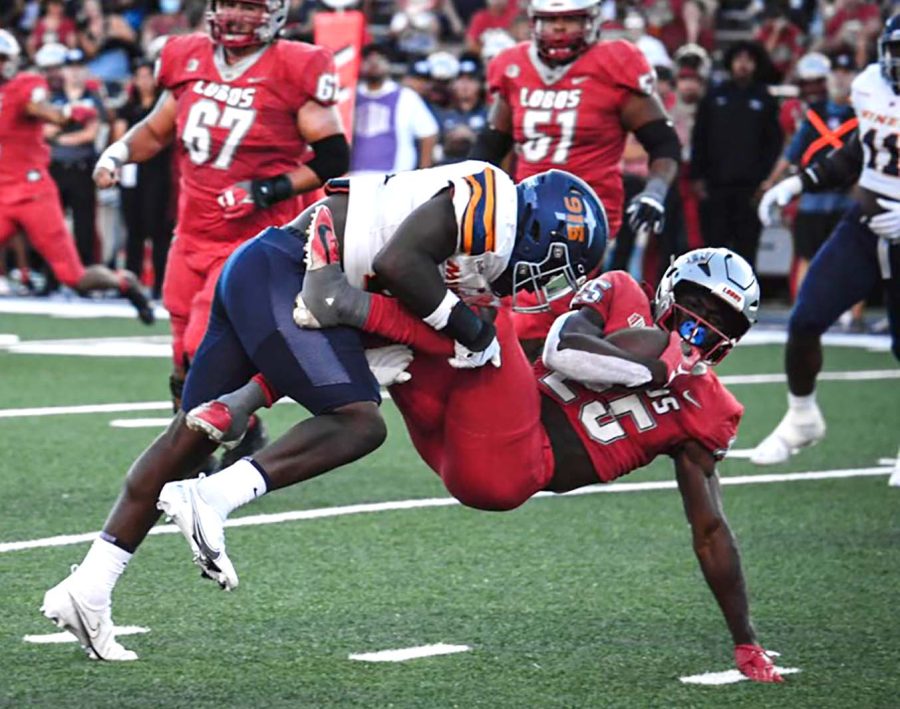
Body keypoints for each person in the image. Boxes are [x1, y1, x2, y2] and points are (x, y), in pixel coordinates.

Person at [40, 162, 604, 661]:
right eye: (554, 266)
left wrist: (448, 334)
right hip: (287, 271)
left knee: (185, 443)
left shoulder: (483, 249)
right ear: (540, 229)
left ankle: (88, 588)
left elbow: (377, 302)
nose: (541, 283)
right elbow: (398, 261)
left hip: (272, 271)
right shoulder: (493, 199)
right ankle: (212, 498)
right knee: (359, 422)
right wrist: (468, 330)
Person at [187, 235, 783, 684]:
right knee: (408, 328)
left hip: (513, 465)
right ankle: (228, 451)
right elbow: (563, 347)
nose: (701, 328)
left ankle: (334, 309)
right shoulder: (622, 296)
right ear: (669, 291)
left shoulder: (706, 407)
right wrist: (657, 367)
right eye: (697, 307)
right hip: (466, 431)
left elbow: (710, 530)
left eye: (721, 323)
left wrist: (745, 640)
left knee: (471, 327)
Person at [92, 0, 352, 461]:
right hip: (191, 233)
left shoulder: (295, 65)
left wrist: (267, 189)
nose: (235, 15)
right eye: (227, 3)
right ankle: (242, 430)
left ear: (274, 12)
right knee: (178, 352)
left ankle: (190, 451)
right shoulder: (186, 56)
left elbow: (333, 158)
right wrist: (116, 153)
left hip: (251, 241)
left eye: (248, 6)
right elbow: (156, 129)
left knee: (199, 347)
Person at [471, 0, 681, 351]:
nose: (560, 29)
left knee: (535, 323)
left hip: (582, 218)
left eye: (570, 19)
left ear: (592, 21)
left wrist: (654, 192)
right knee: (498, 313)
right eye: (552, 21)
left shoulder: (615, 63)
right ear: (534, 22)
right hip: (521, 214)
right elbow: (489, 146)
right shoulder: (512, 66)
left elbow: (664, 144)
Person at [751, 17, 900, 467]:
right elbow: (862, 148)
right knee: (806, 319)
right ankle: (801, 416)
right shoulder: (872, 84)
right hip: (866, 224)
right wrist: (800, 183)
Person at [0, 29, 153, 322]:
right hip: (3, 193)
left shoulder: (23, 86)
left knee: (75, 277)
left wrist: (65, 114)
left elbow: (41, 108)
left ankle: (122, 282)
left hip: (32, 193)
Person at [759, 52, 857, 296]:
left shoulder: (863, 113)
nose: (841, 79)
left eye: (846, 74)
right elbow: (791, 152)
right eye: (837, 73)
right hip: (813, 191)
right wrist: (772, 181)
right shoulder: (812, 113)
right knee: (806, 254)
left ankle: (849, 315)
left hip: (846, 193)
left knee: (849, 256)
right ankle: (801, 308)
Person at [690, 40, 782, 269]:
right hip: (716, 185)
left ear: (755, 64)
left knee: (747, 247)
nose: (743, 65)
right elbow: (699, 138)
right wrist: (697, 177)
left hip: (750, 188)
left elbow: (774, 143)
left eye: (748, 60)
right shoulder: (713, 97)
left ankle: (744, 297)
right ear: (730, 63)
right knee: (713, 247)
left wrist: (766, 180)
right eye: (738, 59)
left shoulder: (765, 99)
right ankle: (711, 297)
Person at [113, 59, 173, 298]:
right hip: (132, 172)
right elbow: (120, 138)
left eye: (148, 76)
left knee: (158, 229)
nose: (144, 81)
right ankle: (130, 282)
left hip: (158, 172)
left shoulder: (164, 108)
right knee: (133, 229)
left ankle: (160, 284)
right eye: (140, 76)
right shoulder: (128, 108)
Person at [46, 48, 106, 269]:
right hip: (57, 167)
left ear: (85, 70)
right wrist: (72, 129)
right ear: (63, 71)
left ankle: (86, 274)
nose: (74, 73)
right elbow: (45, 131)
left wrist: (61, 134)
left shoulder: (93, 99)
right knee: (52, 225)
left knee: (84, 225)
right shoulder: (53, 97)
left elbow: (91, 134)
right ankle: (52, 276)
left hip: (82, 167)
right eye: (70, 68)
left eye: (78, 67)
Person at [349, 43, 438, 175]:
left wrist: (423, 174)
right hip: (352, 177)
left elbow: (428, 134)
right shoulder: (350, 96)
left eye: (380, 59)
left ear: (389, 64)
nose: (374, 63)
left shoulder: (406, 96)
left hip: (394, 179)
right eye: (368, 59)